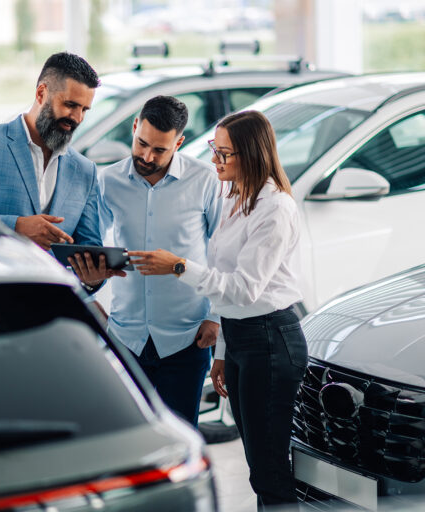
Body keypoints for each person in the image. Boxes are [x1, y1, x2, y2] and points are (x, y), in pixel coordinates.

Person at [128, 110, 308, 509]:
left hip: (271, 341)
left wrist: (177, 266)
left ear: (252, 154)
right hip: (243, 339)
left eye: (224, 153)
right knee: (258, 464)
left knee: (269, 469)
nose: (215, 161)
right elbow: (227, 286)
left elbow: (244, 290)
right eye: (215, 149)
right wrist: (224, 353)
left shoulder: (275, 209)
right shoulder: (234, 197)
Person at [71, 95, 222, 427]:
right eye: (142, 144)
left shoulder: (205, 181)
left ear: (179, 143)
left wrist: (216, 318)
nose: (146, 156)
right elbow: (93, 242)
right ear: (135, 126)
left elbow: (223, 251)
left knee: (182, 435)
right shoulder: (107, 181)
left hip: (187, 338)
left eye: (160, 150)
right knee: (128, 436)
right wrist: (91, 283)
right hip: (126, 337)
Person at [0, 52, 108, 287]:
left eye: (84, 109)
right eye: (70, 105)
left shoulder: (85, 171)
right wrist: (16, 226)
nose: (77, 118)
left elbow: (90, 247)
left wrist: (93, 279)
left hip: (53, 309)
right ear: (41, 93)